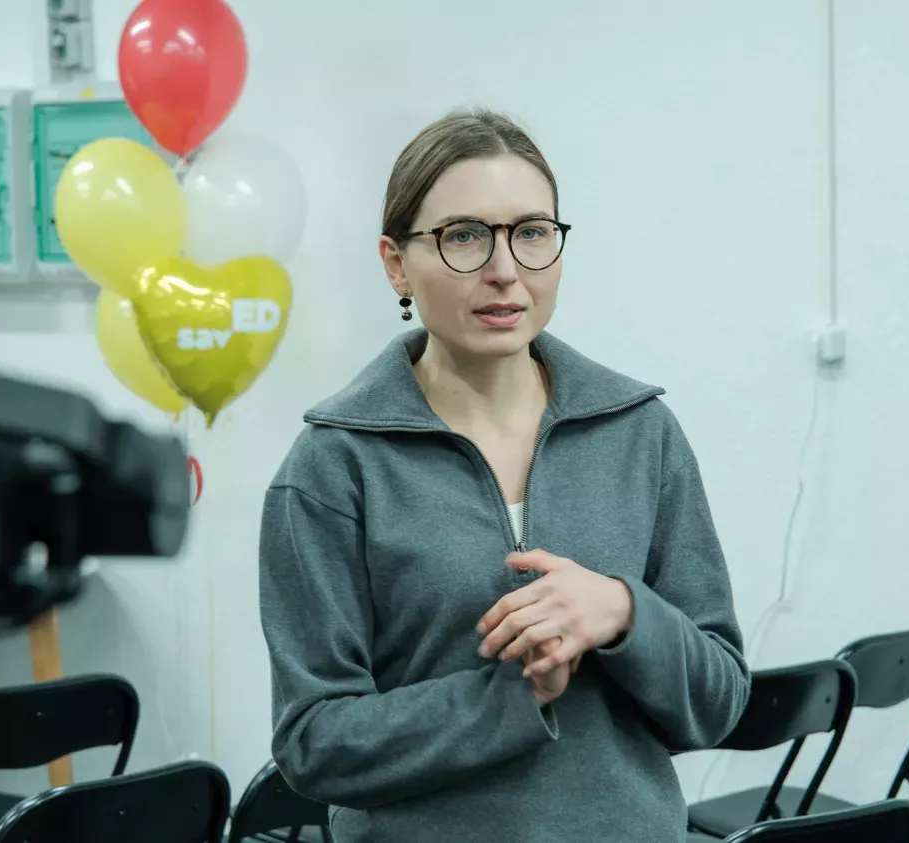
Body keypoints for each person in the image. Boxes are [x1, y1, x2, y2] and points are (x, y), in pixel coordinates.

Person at [258, 107, 754, 842]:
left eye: (531, 233)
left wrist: (623, 611)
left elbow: (718, 701)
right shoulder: (332, 466)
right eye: (463, 236)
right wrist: (512, 697)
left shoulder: (640, 431)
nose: (504, 270)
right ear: (396, 262)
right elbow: (314, 743)